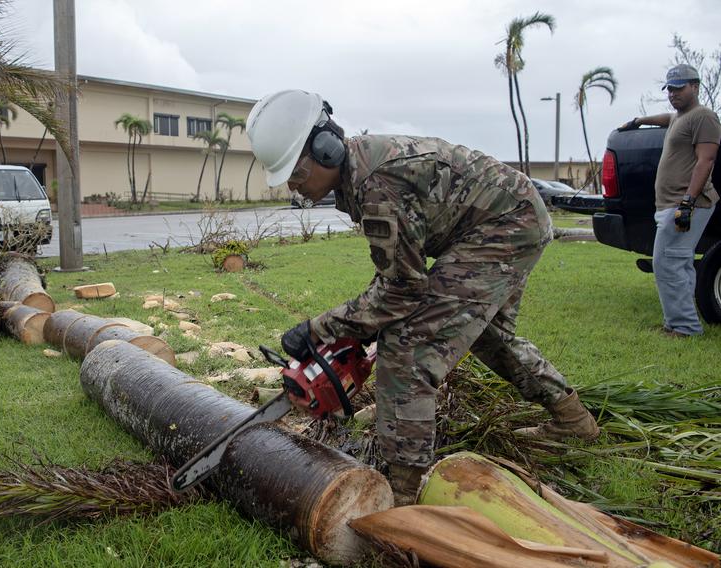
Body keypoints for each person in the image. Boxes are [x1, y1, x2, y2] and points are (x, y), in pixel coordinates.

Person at [246, 90, 599, 506]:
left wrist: (318, 328)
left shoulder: (377, 182)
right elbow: (399, 271)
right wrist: (356, 325)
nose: (293, 185)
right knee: (485, 335)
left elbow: (402, 291)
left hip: (505, 225)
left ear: (326, 151)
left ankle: (403, 492)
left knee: (409, 347)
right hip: (509, 217)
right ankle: (573, 420)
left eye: (297, 174)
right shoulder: (360, 170)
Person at [618, 64, 720, 337]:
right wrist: (640, 120)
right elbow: (667, 119)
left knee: (667, 262)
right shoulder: (680, 116)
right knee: (680, 261)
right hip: (671, 203)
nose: (673, 93)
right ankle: (679, 323)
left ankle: (684, 327)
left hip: (686, 204)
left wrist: (687, 202)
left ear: (695, 87)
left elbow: (706, 160)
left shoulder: (704, 117)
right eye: (670, 89)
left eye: (679, 88)